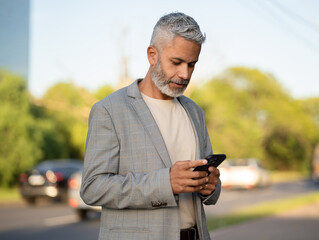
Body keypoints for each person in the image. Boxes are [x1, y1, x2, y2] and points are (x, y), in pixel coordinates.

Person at [80, 12, 221, 240]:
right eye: (176, 62)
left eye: (191, 65)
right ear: (152, 55)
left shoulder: (195, 112)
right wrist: (165, 183)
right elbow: (93, 188)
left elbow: (209, 187)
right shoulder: (110, 110)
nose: (184, 74)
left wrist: (211, 186)